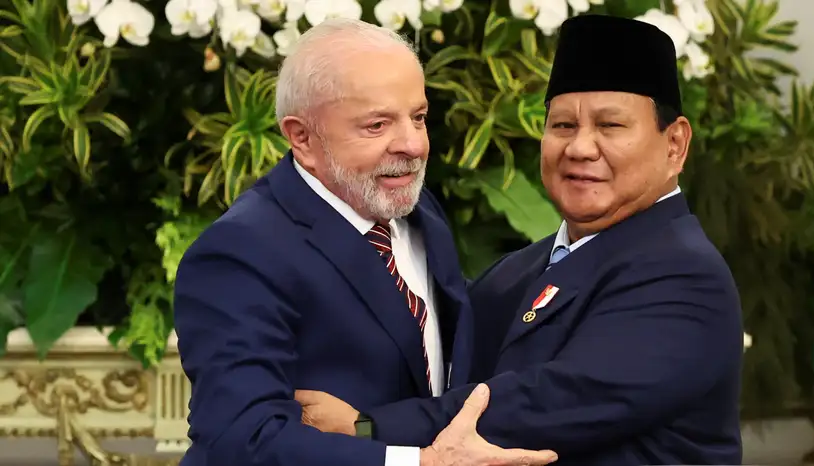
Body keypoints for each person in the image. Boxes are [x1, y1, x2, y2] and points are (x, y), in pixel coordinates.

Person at [295, 14, 744, 466]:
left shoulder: (684, 275)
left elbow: (547, 403)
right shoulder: (517, 270)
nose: (580, 148)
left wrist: (367, 428)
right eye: (563, 126)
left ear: (675, 145)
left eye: (610, 127)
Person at [173, 17, 557, 466]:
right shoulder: (240, 254)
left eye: (418, 117)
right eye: (377, 125)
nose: (413, 145)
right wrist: (421, 462)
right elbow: (242, 438)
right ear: (302, 137)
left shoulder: (413, 205)